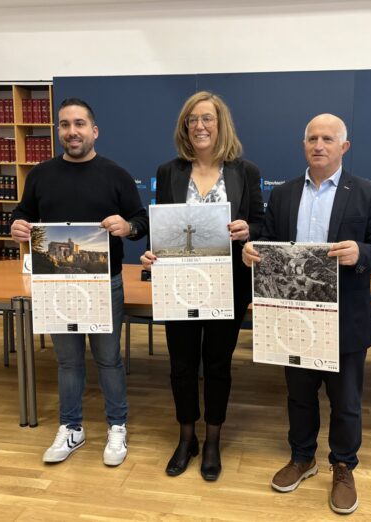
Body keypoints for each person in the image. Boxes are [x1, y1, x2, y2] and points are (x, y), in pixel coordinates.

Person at [242, 114, 371, 515]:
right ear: (304, 144)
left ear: (344, 147)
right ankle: (302, 456)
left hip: (346, 316)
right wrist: (251, 252)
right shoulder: (284, 194)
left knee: (346, 401)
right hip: (294, 314)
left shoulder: (367, 193)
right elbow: (268, 245)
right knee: (299, 395)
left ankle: (343, 465)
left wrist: (362, 253)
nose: (319, 145)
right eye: (312, 138)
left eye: (328, 138)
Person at [11, 98, 148, 466]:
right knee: (68, 362)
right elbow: (24, 213)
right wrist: (17, 225)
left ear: (94, 130)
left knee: (108, 360)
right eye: (65, 124)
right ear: (58, 130)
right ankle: (72, 428)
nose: (72, 131)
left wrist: (129, 227)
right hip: (56, 286)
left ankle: (116, 426)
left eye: (79, 124)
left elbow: (140, 221)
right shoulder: (40, 175)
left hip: (104, 283)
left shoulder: (116, 174)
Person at [141, 91, 264, 481]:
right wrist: (151, 254)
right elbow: (163, 227)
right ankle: (186, 436)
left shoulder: (245, 172)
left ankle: (213, 438)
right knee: (180, 365)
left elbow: (262, 223)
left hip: (228, 285)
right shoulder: (169, 171)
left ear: (220, 123)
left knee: (216, 364)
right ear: (184, 126)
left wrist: (250, 230)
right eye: (192, 119)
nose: (199, 126)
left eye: (207, 118)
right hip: (178, 284)